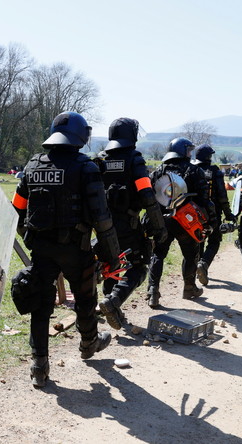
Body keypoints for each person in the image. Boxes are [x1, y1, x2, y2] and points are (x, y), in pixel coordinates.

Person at [11, 111, 120, 388]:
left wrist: (30, 238)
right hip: (76, 247)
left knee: (40, 303)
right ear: (80, 136)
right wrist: (111, 257)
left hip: (42, 250)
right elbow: (102, 217)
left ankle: (39, 365)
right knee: (85, 296)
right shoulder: (86, 167)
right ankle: (88, 344)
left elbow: (16, 210)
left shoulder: (33, 165)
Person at [95, 118, 167, 331]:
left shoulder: (100, 160)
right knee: (138, 266)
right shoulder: (134, 160)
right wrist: (159, 226)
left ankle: (112, 306)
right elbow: (147, 196)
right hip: (128, 224)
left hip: (102, 226)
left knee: (110, 266)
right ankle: (113, 301)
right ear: (131, 136)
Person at [146, 137, 214, 307]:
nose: (191, 153)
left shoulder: (157, 171)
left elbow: (150, 198)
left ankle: (152, 292)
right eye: (189, 150)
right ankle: (189, 289)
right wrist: (210, 221)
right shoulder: (195, 171)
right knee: (191, 255)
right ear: (183, 151)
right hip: (186, 221)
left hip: (162, 220)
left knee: (158, 254)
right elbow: (205, 200)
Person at [193, 144, 236, 286]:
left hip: (193, 212)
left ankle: (193, 271)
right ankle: (203, 264)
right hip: (213, 213)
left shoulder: (191, 169)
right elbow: (222, 196)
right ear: (208, 157)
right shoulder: (215, 171)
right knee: (214, 241)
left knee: (198, 240)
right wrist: (228, 214)